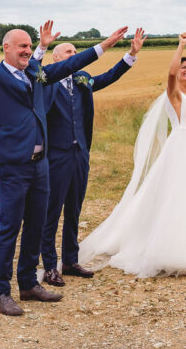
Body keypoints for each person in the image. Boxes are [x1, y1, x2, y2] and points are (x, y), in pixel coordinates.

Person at [0, 18, 127, 316]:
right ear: (6, 47)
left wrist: (104, 47)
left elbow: (69, 65)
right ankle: (0, 291)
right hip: (12, 164)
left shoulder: (37, 74)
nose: (27, 51)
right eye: (22, 46)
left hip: (41, 164)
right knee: (10, 227)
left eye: (29, 46)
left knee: (36, 224)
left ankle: (27, 283)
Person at [77, 32, 186, 278]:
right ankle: (169, 250)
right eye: (184, 67)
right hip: (179, 148)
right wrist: (181, 45)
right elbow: (170, 75)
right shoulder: (175, 93)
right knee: (176, 195)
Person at [39, 27, 147, 288]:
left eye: (76, 51)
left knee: (74, 209)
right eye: (69, 51)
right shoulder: (45, 81)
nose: (74, 55)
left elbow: (108, 77)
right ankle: (50, 266)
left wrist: (130, 55)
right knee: (51, 213)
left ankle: (71, 260)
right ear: (56, 58)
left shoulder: (83, 79)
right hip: (56, 156)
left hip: (79, 154)